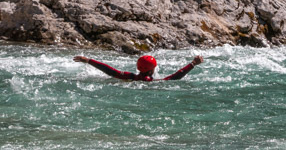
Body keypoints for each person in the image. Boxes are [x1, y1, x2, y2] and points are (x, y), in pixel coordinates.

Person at [74, 54, 204, 81]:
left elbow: (109, 70)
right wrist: (192, 64)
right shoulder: (150, 81)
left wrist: (89, 60)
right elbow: (174, 77)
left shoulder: (129, 76)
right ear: (151, 69)